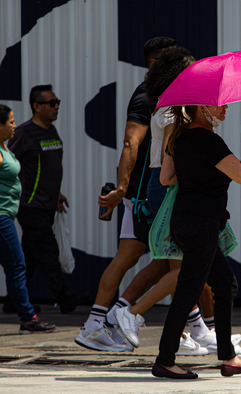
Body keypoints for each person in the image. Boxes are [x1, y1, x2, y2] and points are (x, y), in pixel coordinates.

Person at [113, 46, 241, 357]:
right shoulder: (180, 119)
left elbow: (167, 173)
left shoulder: (175, 116)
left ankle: (206, 334)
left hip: (180, 200)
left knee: (195, 276)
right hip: (188, 207)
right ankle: (137, 318)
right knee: (185, 277)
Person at [75, 37, 177, 352]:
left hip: (152, 191)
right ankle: (104, 321)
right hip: (145, 195)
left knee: (159, 259)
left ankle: (100, 322)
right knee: (170, 260)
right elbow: (131, 143)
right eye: (172, 61)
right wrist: (122, 189)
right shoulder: (146, 96)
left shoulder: (165, 95)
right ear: (155, 63)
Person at [151, 104, 241, 379]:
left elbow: (166, 178)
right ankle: (165, 360)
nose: (225, 109)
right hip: (203, 224)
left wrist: (196, 174)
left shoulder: (180, 138)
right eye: (219, 105)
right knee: (188, 291)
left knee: (224, 283)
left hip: (184, 222)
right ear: (201, 107)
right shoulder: (209, 141)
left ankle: (228, 357)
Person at [7, 85, 88, 314]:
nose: (57, 107)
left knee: (31, 256)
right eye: (51, 103)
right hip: (30, 205)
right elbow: (7, 162)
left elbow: (49, 168)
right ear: (37, 106)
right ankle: (65, 297)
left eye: (57, 102)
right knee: (48, 250)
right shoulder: (24, 133)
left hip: (47, 204)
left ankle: (14, 299)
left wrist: (57, 194)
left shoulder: (51, 131)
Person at [0, 104, 55, 334]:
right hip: (1, 218)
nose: (14, 125)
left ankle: (27, 316)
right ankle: (28, 318)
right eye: (10, 122)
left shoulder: (4, 147)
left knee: (16, 265)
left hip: (5, 215)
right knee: (17, 265)